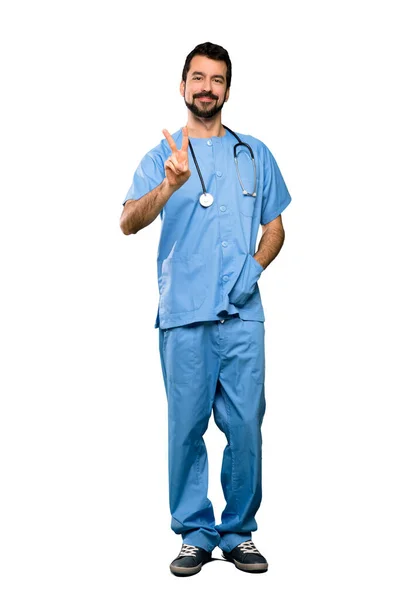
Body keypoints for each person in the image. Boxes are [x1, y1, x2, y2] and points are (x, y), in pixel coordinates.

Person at [120, 42, 292, 577]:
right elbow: (127, 221)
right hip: (185, 315)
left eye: (216, 80)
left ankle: (238, 533)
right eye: (198, 78)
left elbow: (276, 228)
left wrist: (252, 273)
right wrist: (169, 186)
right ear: (182, 85)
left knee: (245, 428)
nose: (206, 88)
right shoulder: (160, 157)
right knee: (186, 428)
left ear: (227, 89)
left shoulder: (254, 153)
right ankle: (194, 533)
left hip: (242, 317)